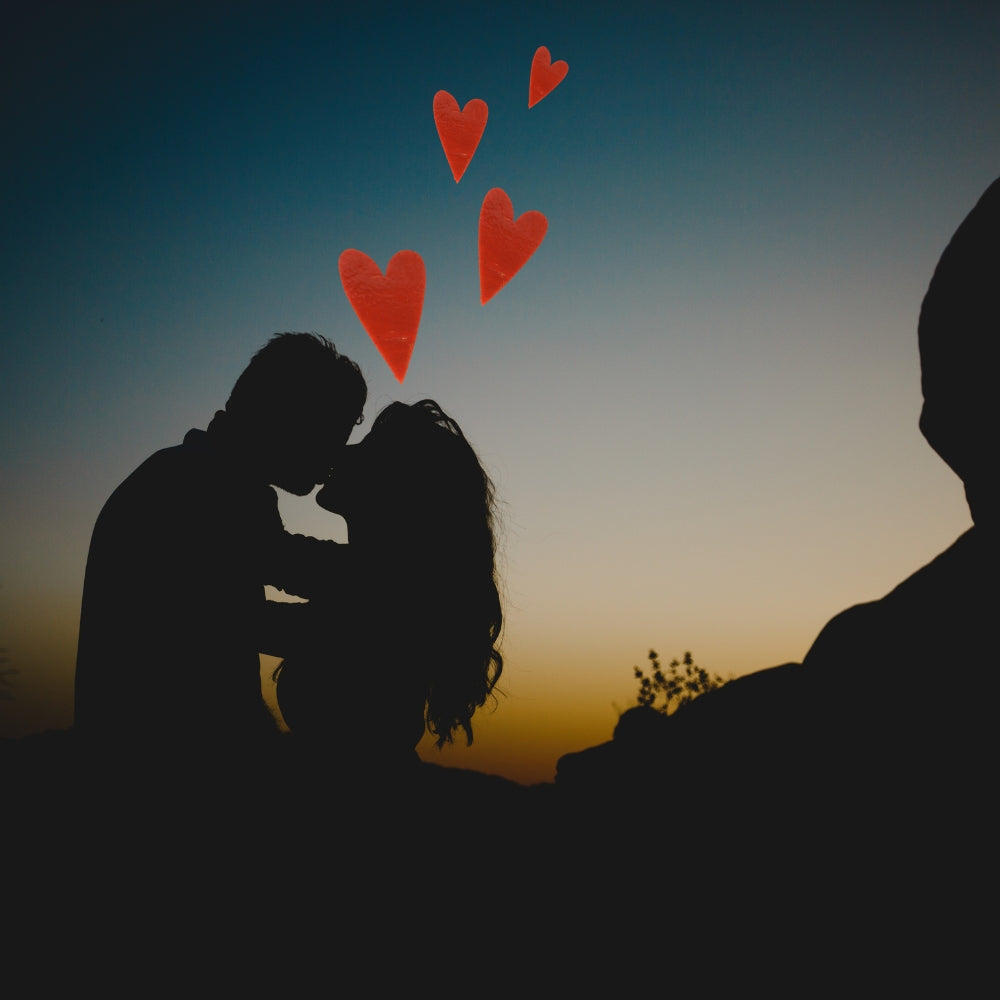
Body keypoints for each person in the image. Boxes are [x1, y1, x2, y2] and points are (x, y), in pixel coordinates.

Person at [73, 333, 367, 762]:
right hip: (156, 769)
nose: (334, 458)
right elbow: (272, 588)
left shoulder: (194, 472)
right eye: (332, 433)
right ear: (290, 417)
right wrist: (394, 584)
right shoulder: (205, 483)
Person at [262, 399, 504, 784]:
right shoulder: (378, 573)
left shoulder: (385, 585)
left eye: (366, 447)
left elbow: (248, 600)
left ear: (394, 485)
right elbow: (277, 556)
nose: (343, 450)